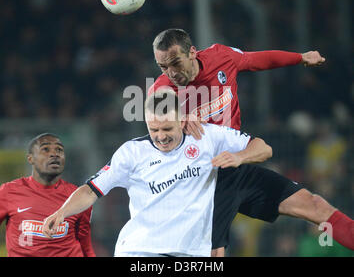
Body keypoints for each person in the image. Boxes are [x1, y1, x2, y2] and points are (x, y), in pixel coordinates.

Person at [149, 28, 354, 256]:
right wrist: (176, 118)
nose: (171, 72)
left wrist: (300, 57)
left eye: (175, 62)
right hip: (201, 181)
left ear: (192, 53)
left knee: (315, 206)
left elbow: (257, 60)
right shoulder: (163, 89)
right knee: (214, 253)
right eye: (163, 67)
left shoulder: (221, 57)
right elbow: (158, 110)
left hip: (236, 169)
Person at [42, 90, 272, 257]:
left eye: (167, 128)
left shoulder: (208, 137)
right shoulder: (132, 153)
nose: (160, 136)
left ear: (182, 121)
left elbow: (263, 148)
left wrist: (239, 157)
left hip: (192, 252)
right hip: (141, 251)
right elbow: (91, 190)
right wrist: (62, 212)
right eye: (154, 129)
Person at [0, 133, 95, 257]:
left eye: (59, 150)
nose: (54, 154)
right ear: (30, 159)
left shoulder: (78, 196)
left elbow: (85, 245)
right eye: (45, 149)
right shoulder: (8, 191)